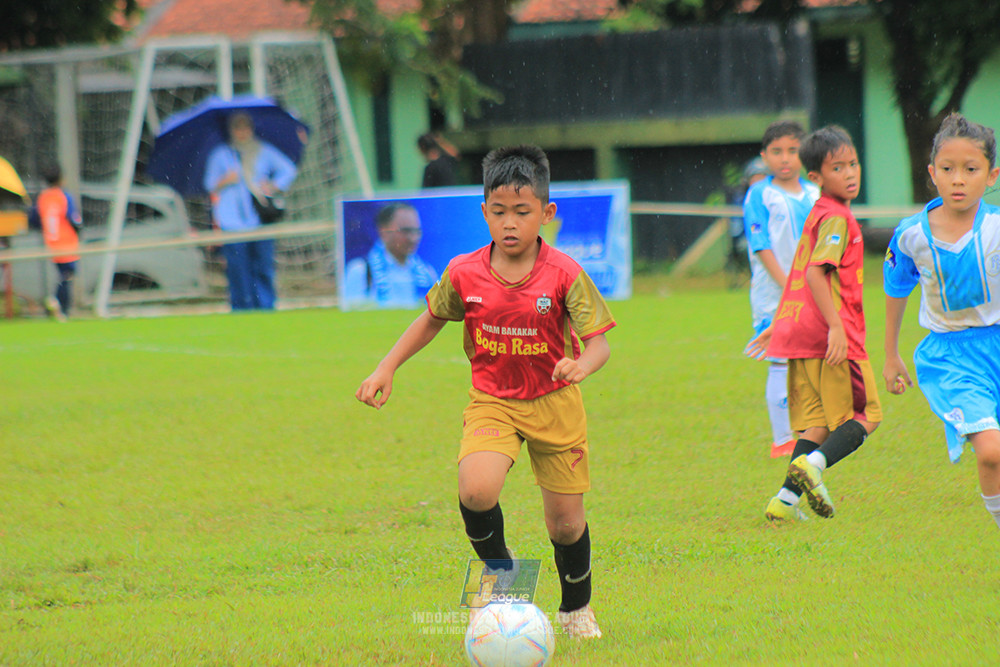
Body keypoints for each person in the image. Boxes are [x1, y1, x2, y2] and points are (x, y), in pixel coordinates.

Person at [356, 145, 615, 638]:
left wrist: (581, 364)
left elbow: (599, 344)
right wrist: (386, 368)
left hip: (555, 404)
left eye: (522, 211)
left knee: (564, 525)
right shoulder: (465, 271)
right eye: (498, 212)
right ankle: (503, 572)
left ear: (546, 212)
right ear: (484, 213)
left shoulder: (564, 274)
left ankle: (576, 608)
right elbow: (430, 319)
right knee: (475, 491)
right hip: (493, 401)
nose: (510, 223)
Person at [746, 125, 882, 523]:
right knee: (867, 415)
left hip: (800, 331)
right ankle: (814, 466)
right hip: (831, 334)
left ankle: (784, 502)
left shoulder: (818, 212)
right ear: (817, 178)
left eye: (853, 164)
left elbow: (799, 272)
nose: (851, 173)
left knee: (818, 423)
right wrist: (838, 328)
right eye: (838, 168)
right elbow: (814, 275)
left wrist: (782, 323)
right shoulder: (837, 218)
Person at [883, 112, 1000, 531]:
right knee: (990, 451)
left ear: (991, 176)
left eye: (970, 170)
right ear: (932, 173)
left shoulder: (997, 228)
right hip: (952, 358)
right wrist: (891, 354)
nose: (958, 179)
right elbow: (896, 288)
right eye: (948, 169)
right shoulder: (911, 235)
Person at [743, 121, 820, 459]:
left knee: (809, 364)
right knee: (779, 361)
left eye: (792, 150)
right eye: (776, 151)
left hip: (814, 293)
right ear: (764, 156)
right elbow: (761, 245)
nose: (785, 158)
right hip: (774, 294)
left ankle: (807, 430)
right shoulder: (760, 194)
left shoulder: (816, 193)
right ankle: (783, 438)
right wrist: (790, 285)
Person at [203, 112, 298, 311]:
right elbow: (209, 184)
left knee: (262, 267)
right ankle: (241, 308)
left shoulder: (263, 151)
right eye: (237, 128)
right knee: (238, 269)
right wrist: (225, 180)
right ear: (231, 131)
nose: (242, 132)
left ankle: (265, 307)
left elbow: (288, 170)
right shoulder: (221, 154)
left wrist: (273, 185)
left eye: (245, 127)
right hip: (232, 222)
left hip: (259, 219)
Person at [342, 202, 438, 308]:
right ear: (383, 231)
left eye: (417, 231)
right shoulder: (361, 271)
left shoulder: (427, 273)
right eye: (405, 231)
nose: (413, 238)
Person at [29, 164, 82, 321]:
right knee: (68, 274)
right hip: (66, 241)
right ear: (61, 179)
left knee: (64, 273)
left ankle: (58, 304)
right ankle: (59, 304)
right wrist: (78, 229)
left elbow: (33, 220)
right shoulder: (63, 196)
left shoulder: (43, 197)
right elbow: (74, 219)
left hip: (51, 242)